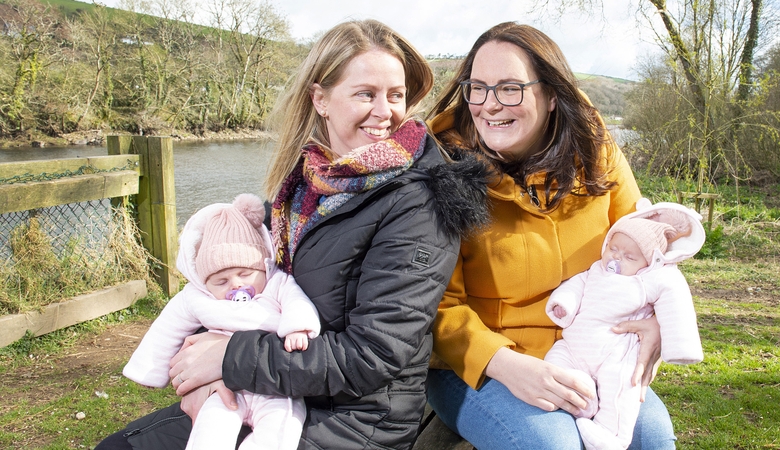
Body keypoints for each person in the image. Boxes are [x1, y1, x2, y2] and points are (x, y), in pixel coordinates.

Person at [96, 19, 488, 450]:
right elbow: (241, 292)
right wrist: (208, 372)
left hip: (355, 420)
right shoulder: (305, 186)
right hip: (272, 389)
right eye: (365, 94)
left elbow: (373, 355)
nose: (385, 111)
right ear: (320, 98)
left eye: (396, 95)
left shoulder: (419, 203)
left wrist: (228, 359)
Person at [426, 21, 678, 449]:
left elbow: (648, 244)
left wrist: (656, 323)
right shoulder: (440, 168)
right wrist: (505, 365)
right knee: (554, 445)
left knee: (652, 437)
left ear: (551, 96)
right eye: (478, 87)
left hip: (588, 353)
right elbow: (436, 307)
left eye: (510, 88)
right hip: (474, 366)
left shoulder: (597, 154)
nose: (489, 105)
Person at [122, 193, 320, 450]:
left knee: (281, 428)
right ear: (205, 283)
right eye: (221, 281)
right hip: (224, 386)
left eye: (245, 273)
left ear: (262, 266)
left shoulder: (276, 284)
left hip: (274, 385)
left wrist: (299, 327)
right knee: (211, 427)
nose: (236, 284)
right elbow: (166, 329)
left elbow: (297, 301)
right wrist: (148, 370)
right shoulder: (198, 298)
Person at [545, 199, 705, 450]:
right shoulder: (596, 270)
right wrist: (562, 306)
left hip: (617, 350)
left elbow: (676, 302)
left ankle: (611, 436)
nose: (616, 257)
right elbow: (576, 286)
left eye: (629, 256)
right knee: (556, 365)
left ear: (647, 263)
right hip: (575, 345)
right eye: (613, 248)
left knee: (623, 387)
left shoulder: (647, 280)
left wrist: (679, 346)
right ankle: (583, 403)